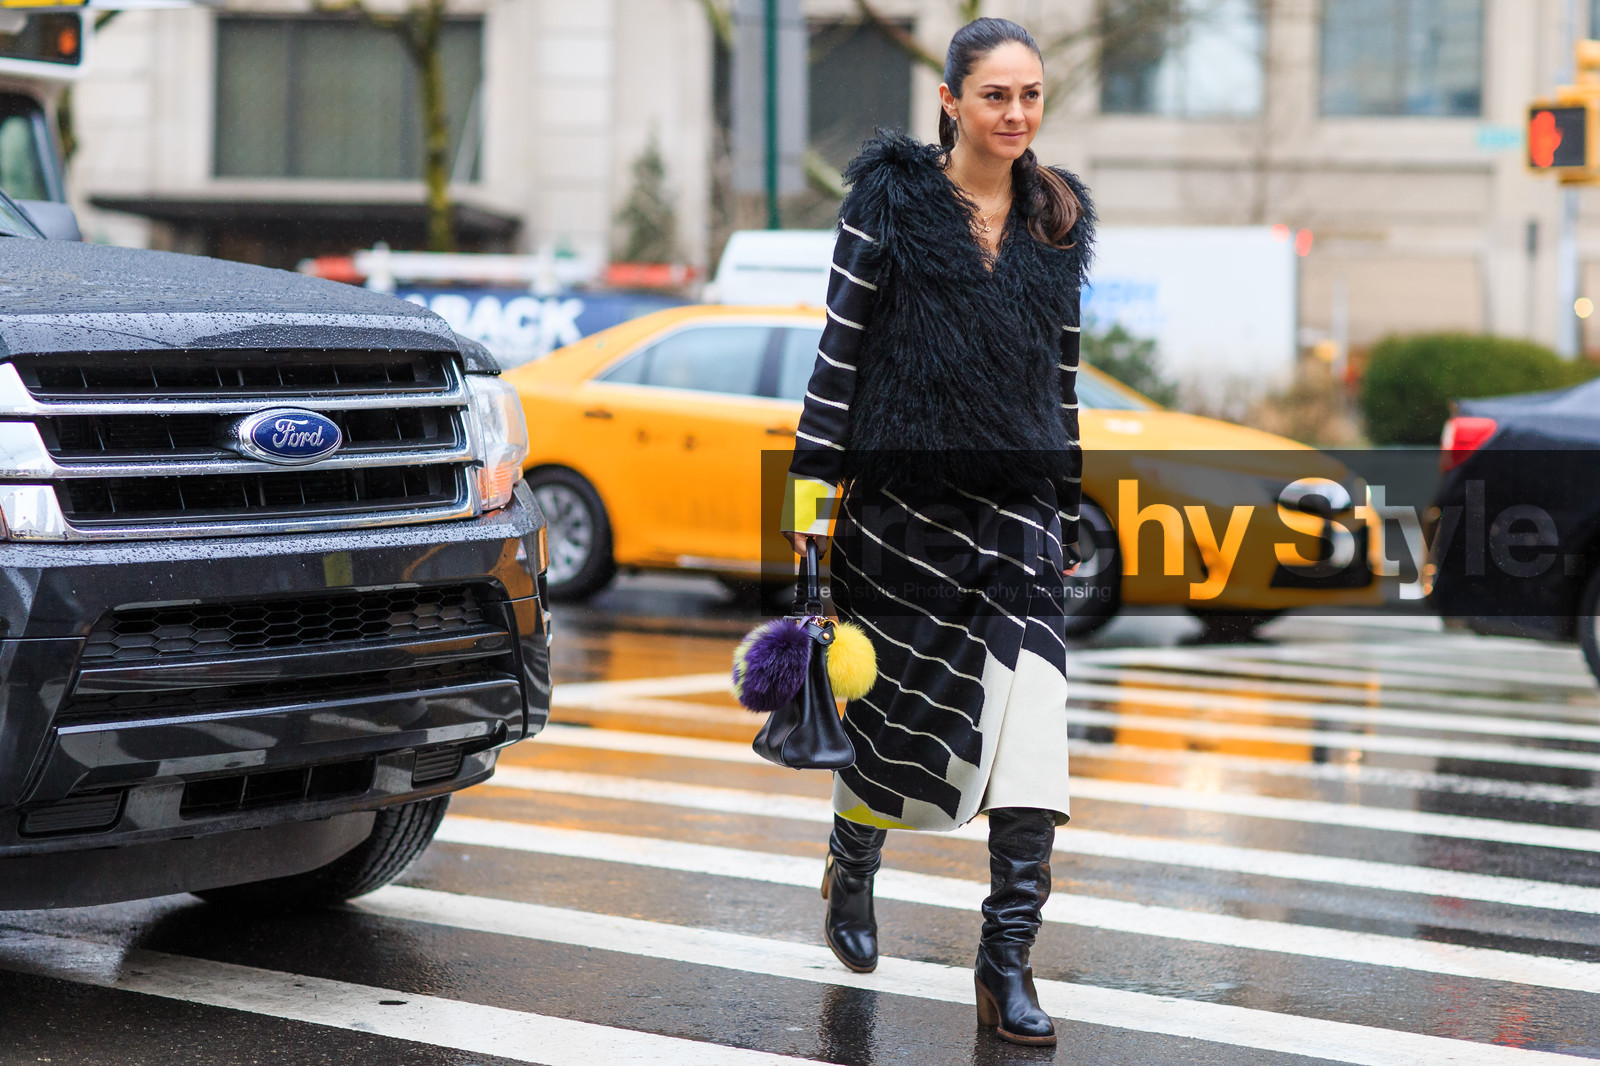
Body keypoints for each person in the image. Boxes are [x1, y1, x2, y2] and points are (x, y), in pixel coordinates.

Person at [779, 17, 1092, 1049]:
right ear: (950, 101)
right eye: (995, 95)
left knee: (1030, 729)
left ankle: (1005, 959)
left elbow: (1060, 379)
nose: (1015, 114)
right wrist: (808, 519)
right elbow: (837, 362)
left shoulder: (1057, 218)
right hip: (901, 508)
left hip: (1017, 513)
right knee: (899, 722)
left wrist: (1068, 500)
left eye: (1030, 96)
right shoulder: (891, 204)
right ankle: (853, 855)